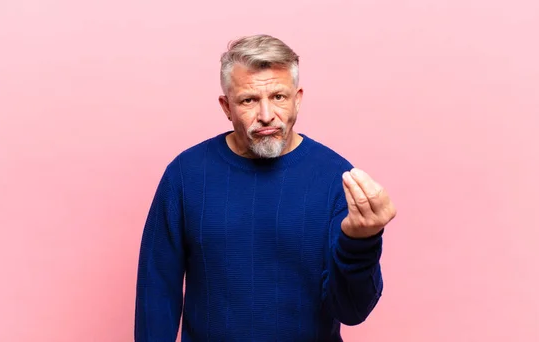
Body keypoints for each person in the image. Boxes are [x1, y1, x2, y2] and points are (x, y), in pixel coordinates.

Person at [134, 34, 397, 342]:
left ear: (297, 98)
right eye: (249, 100)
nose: (266, 115)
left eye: (279, 97)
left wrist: (361, 241)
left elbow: (352, 311)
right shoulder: (185, 175)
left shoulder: (335, 178)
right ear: (226, 106)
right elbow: (156, 292)